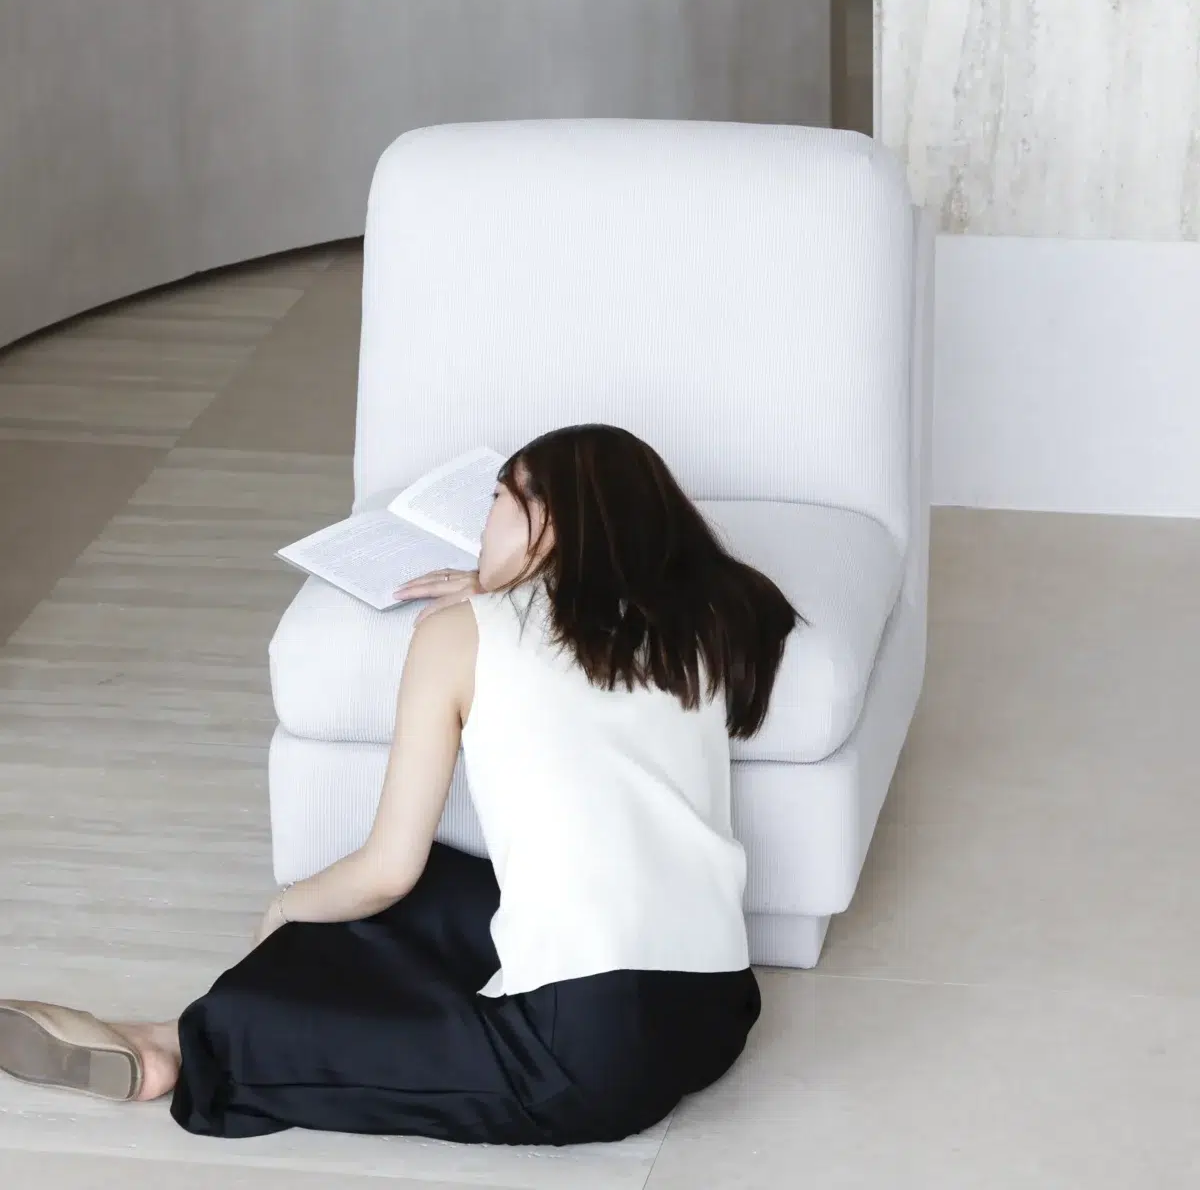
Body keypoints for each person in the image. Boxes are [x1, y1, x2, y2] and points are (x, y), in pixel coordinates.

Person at [0, 423, 800, 1146]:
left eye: (496, 501)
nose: (482, 523)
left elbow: (387, 871)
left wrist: (285, 904)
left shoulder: (462, 636)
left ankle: (164, 1048)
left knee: (283, 982)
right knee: (442, 889)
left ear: (549, 521)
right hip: (717, 1010)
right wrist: (504, 586)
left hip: (588, 1059)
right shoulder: (704, 621)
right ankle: (188, 1029)